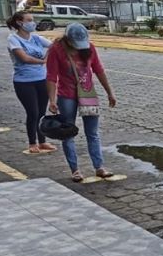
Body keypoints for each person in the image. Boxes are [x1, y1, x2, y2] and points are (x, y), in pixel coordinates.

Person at [45, 23, 116, 182]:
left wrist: (110, 92)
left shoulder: (90, 48)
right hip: (67, 95)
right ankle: (75, 170)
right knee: (67, 132)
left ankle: (99, 167)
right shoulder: (56, 50)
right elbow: (51, 76)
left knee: (93, 133)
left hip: (88, 93)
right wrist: (52, 100)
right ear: (68, 40)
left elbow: (99, 70)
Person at [6, 11, 55, 154]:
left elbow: (54, 46)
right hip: (24, 81)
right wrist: (43, 61)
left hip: (42, 79)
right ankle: (32, 142)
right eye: (29, 20)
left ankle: (42, 141)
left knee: (41, 113)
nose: (32, 23)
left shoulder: (36, 38)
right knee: (33, 112)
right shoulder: (13, 39)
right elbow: (24, 58)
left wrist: (48, 55)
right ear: (20, 23)